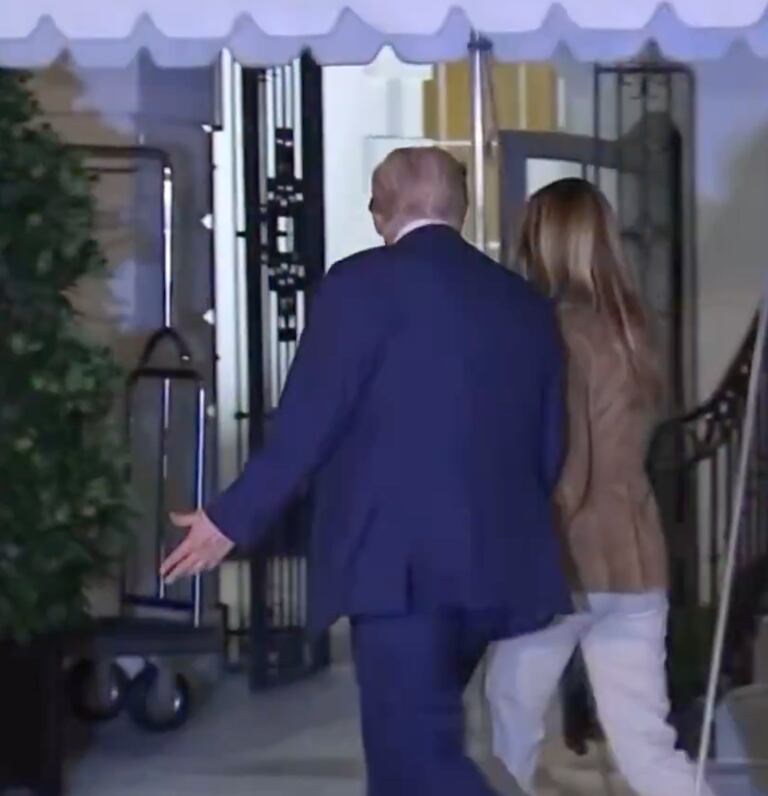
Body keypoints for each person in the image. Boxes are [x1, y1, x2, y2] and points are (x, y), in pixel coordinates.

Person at [160, 146, 572, 795]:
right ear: (460, 209)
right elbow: (550, 447)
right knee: (401, 761)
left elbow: (309, 422)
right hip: (493, 566)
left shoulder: (359, 286)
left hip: (396, 569)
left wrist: (230, 518)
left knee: (419, 760)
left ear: (381, 208)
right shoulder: (522, 302)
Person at [485, 177, 715, 796]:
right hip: (637, 558)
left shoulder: (558, 332)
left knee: (509, 726)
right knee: (647, 744)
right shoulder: (635, 330)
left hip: (568, 562)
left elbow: (573, 463)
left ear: (545, 240)